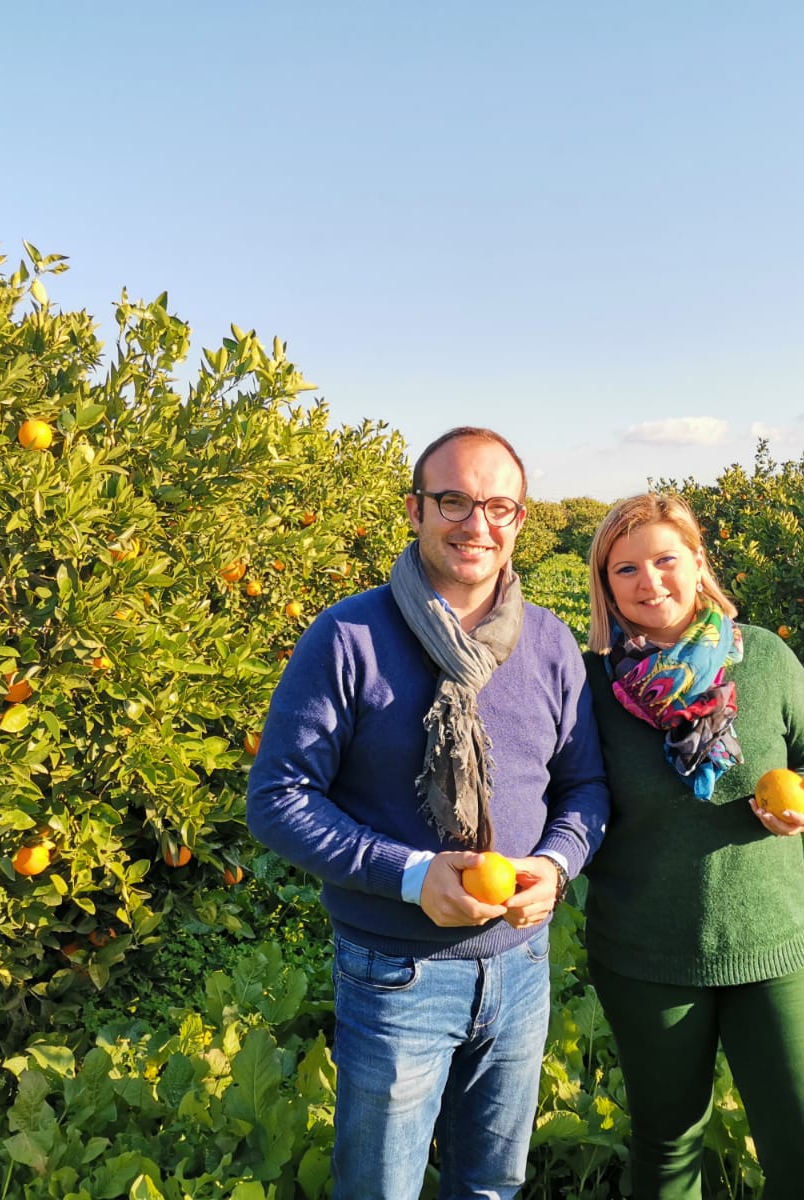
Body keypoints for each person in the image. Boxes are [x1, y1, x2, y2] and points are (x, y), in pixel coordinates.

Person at [246, 426, 610, 1200]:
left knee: (492, 1186)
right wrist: (411, 876)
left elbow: (584, 787)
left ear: (520, 520)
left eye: (499, 506)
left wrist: (555, 866)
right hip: (395, 975)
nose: (477, 524)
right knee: (381, 1188)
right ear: (415, 510)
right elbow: (279, 798)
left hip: (522, 970)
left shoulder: (549, 642)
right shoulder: (348, 637)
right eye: (453, 501)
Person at [580, 493, 804, 1200]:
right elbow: (564, 793)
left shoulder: (763, 656)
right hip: (646, 954)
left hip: (772, 943)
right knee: (668, 1147)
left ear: (698, 562)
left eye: (665, 559)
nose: (649, 582)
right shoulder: (590, 685)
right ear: (606, 586)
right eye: (626, 569)